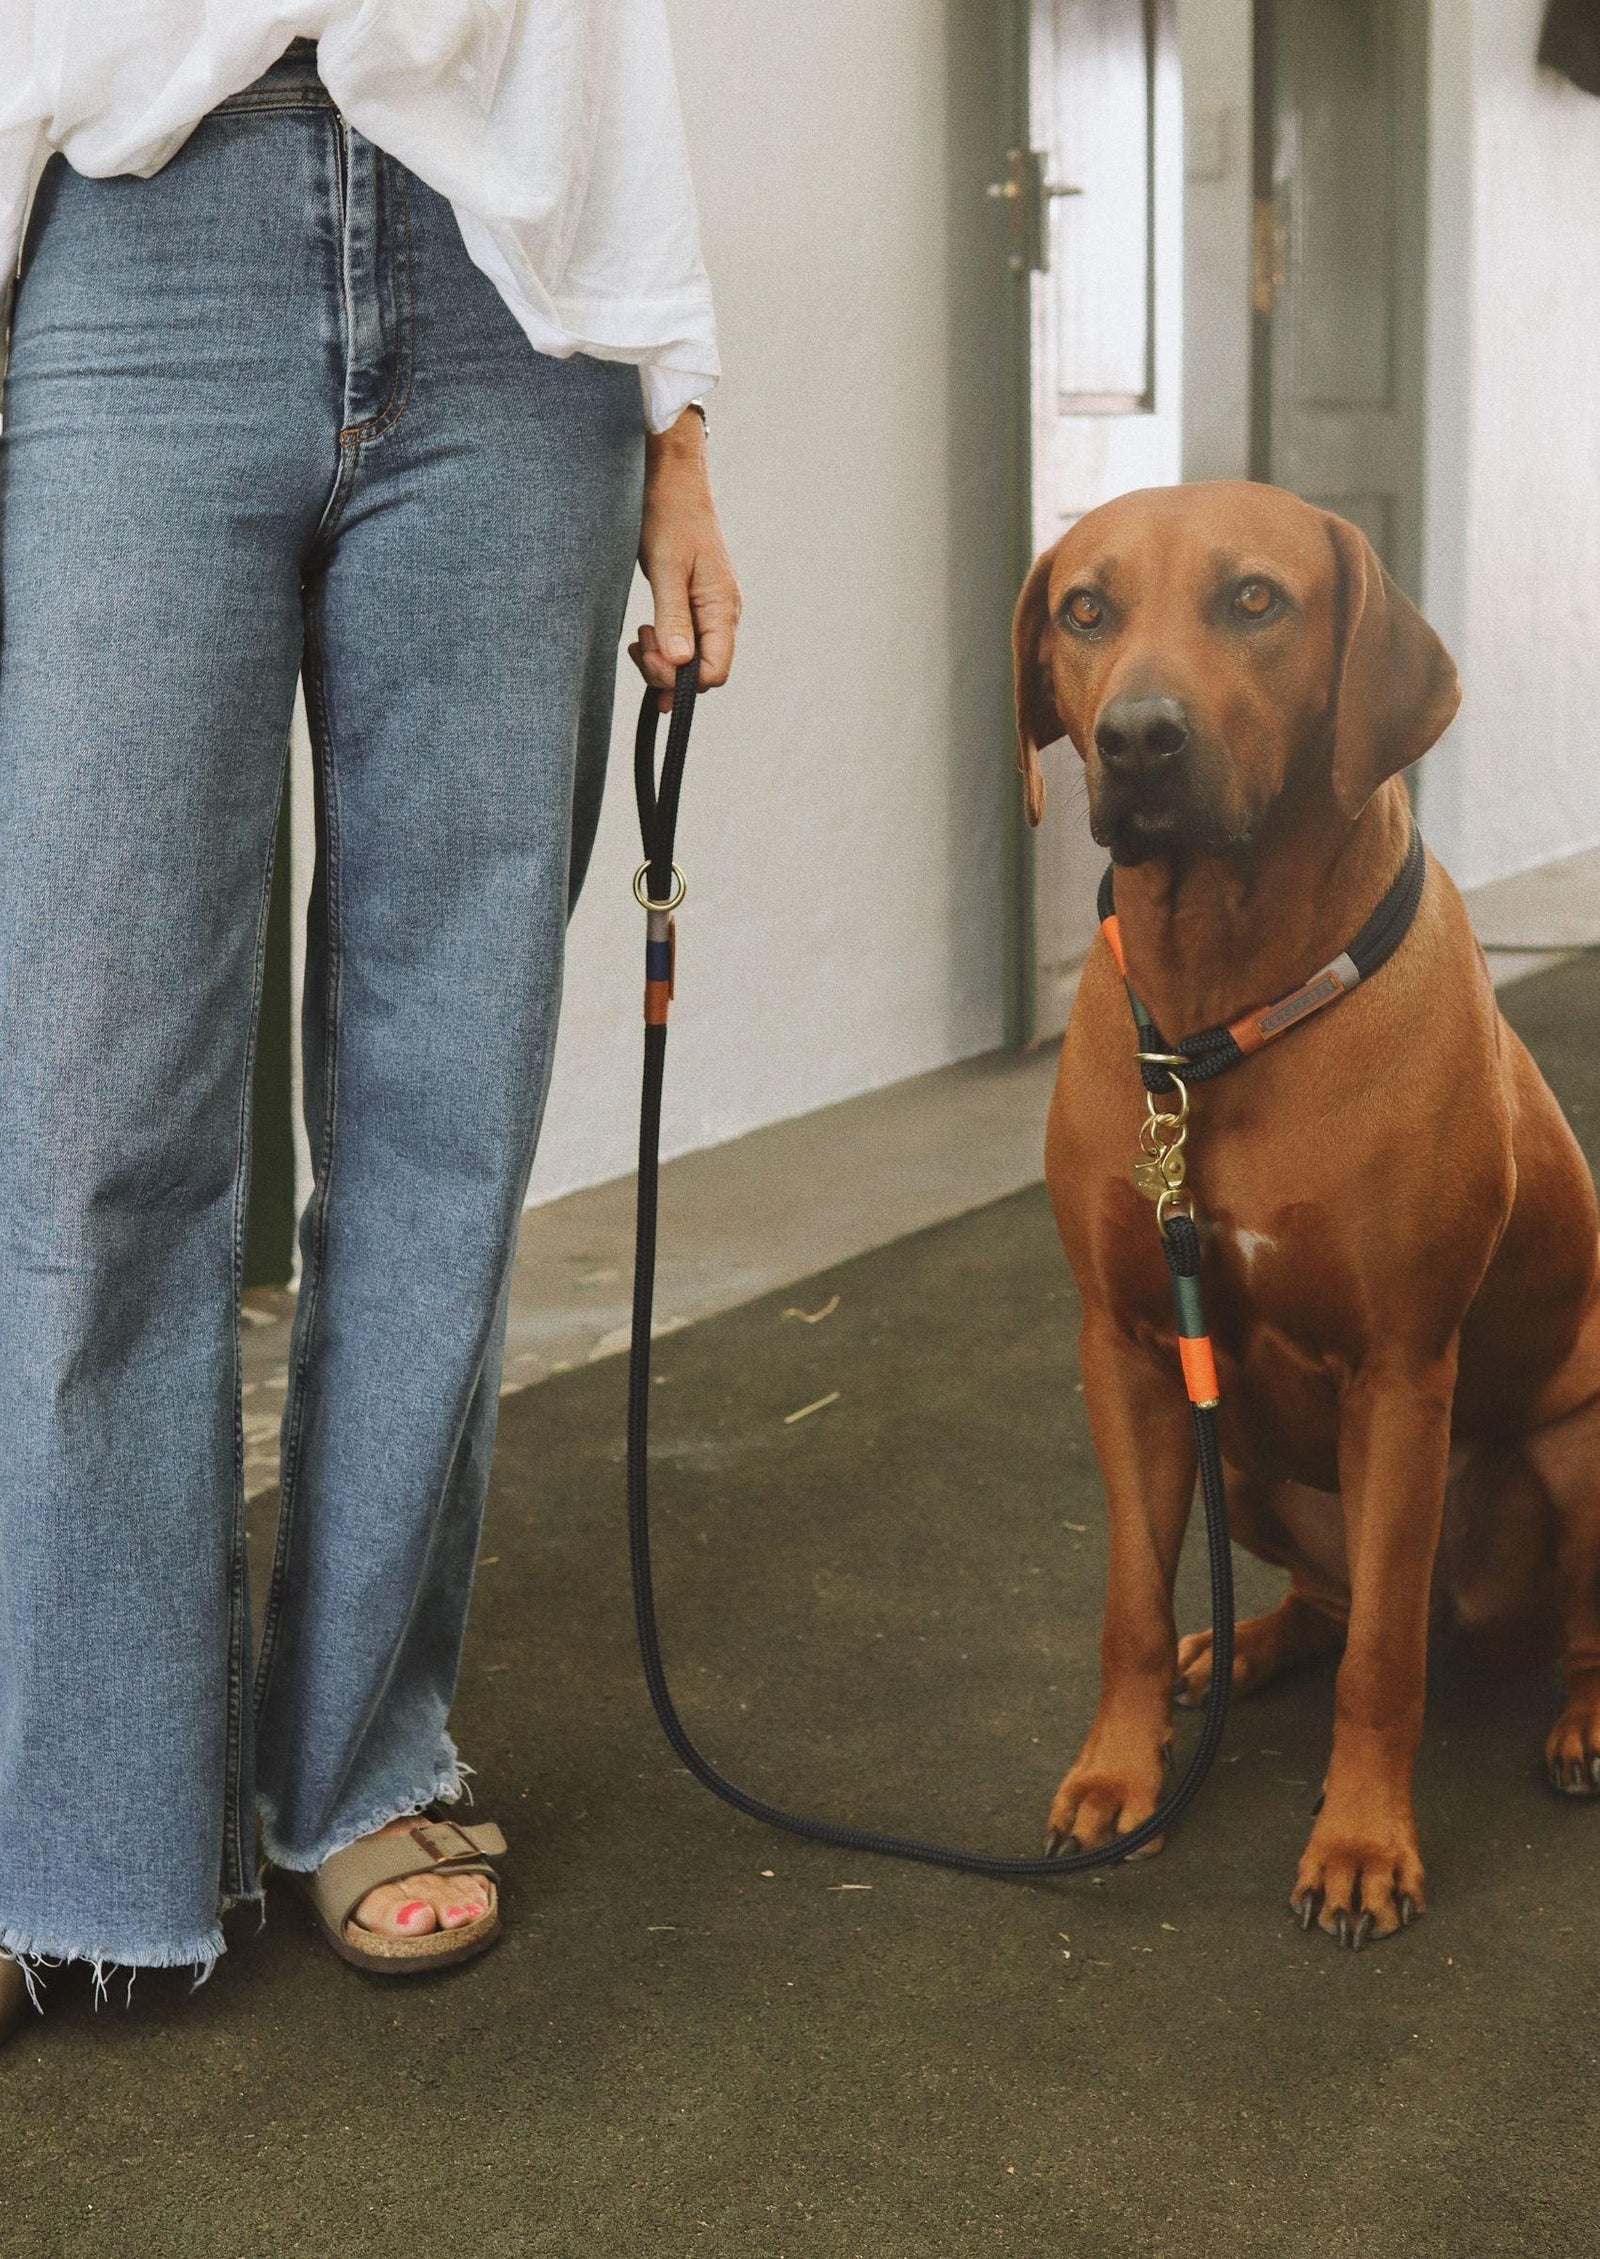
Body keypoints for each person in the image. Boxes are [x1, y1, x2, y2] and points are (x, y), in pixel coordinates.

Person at [0, 5, 739, 2032]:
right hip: (138, 240)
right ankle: (74, 1825)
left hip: (515, 296)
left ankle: (358, 1761)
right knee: (94, 1121)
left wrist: (675, 409)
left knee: (445, 1100)